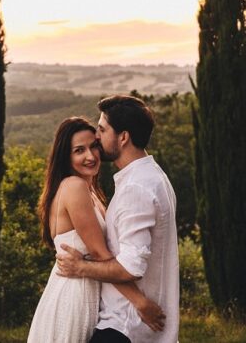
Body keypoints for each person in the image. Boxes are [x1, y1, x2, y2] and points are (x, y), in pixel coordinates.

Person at [27, 117, 165, 343]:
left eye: (94, 146)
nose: (90, 156)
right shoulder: (75, 186)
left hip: (87, 291)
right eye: (79, 150)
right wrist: (141, 303)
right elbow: (101, 254)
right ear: (66, 156)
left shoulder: (89, 190)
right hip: (74, 295)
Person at [56, 95, 179, 343]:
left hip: (124, 326)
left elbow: (131, 267)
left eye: (102, 129)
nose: (97, 137)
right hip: (132, 325)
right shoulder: (154, 176)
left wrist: (81, 267)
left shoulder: (137, 188)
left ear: (123, 137)